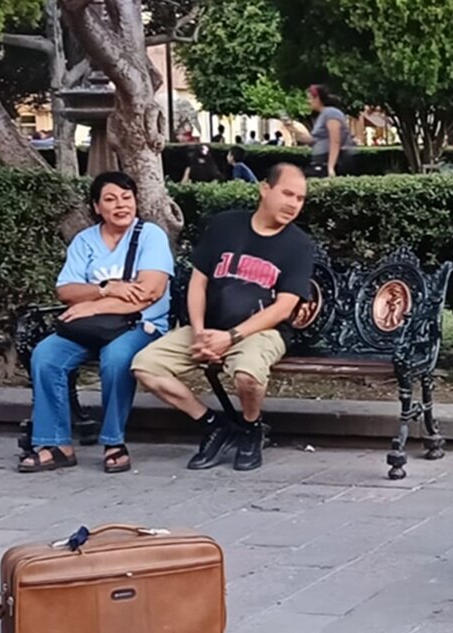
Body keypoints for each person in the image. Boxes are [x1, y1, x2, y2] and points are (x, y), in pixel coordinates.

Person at [132, 163, 315, 472]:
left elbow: (283, 308)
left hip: (261, 333)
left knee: (247, 375)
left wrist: (230, 338)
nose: (293, 204)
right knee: (145, 366)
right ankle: (214, 424)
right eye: (287, 194)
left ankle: (251, 427)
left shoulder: (298, 245)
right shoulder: (225, 226)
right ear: (264, 189)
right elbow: (198, 282)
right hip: (209, 328)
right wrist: (202, 332)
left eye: (299, 198)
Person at [19, 172, 174, 473]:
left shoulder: (150, 236)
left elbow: (149, 293)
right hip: (90, 328)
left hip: (140, 324)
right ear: (96, 206)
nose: (121, 205)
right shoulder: (85, 240)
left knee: (116, 358)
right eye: (111, 199)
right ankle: (56, 444)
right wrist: (106, 288)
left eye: (127, 197)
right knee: (46, 355)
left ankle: (114, 441)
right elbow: (65, 290)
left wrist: (91, 306)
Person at [286, 85, 354, 177]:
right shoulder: (322, 115)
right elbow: (313, 140)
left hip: (329, 162)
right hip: (320, 161)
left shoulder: (331, 113)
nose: (308, 102)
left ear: (317, 98)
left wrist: (331, 167)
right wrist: (293, 129)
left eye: (309, 98)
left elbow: (335, 141)